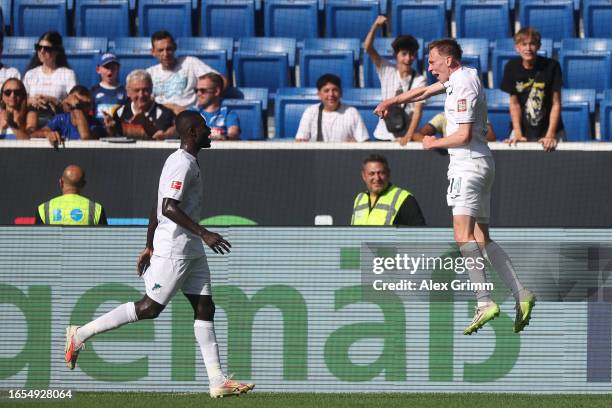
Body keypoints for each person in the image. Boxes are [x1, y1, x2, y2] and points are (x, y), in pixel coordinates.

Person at [64, 111, 254, 398]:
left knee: (205, 307)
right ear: (191, 133)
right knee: (150, 309)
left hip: (190, 250)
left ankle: (217, 380)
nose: (210, 131)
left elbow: (156, 207)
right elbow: (167, 207)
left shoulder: (187, 161)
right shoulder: (181, 164)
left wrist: (148, 243)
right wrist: (203, 233)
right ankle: (79, 335)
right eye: (204, 127)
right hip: (176, 249)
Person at [375, 39, 535, 335]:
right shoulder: (463, 76)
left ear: (449, 60)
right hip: (483, 164)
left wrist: (434, 141)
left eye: (433, 61)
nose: (430, 66)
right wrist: (391, 101)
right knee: (482, 238)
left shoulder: (461, 84)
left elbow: (461, 135)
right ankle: (521, 293)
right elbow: (423, 91)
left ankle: (484, 302)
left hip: (466, 166)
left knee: (461, 235)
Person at [365, 16, 426, 144]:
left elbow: (417, 112)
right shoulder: (386, 69)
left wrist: (408, 137)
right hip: (381, 135)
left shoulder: (420, 80)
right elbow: (368, 48)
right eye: (404, 54)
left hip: (403, 139)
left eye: (412, 54)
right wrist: (375, 26)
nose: (408, 58)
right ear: (395, 55)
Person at [501, 27, 563, 152]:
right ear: (517, 47)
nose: (528, 48)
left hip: (551, 131)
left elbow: (556, 104)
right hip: (522, 131)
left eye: (532, 44)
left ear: (539, 46)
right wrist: (518, 134)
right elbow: (514, 104)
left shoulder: (552, 66)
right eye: (524, 44)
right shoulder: (511, 67)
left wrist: (550, 135)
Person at [147, 31, 226, 114]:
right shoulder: (149, 74)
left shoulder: (190, 63)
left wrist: (204, 102)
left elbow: (222, 81)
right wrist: (173, 107)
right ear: (153, 52)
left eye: (169, 49)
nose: (165, 54)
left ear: (175, 47)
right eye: (160, 50)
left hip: (190, 115)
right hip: (161, 118)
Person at [351, 154, 426, 226]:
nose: (377, 178)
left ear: (388, 174)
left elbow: (420, 235)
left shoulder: (404, 198)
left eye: (381, 173)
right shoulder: (360, 198)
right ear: (364, 176)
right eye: (372, 173)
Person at [23, 31, 77, 129]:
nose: (41, 51)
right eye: (39, 47)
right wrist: (31, 100)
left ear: (57, 51)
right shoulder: (30, 74)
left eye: (47, 48)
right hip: (32, 122)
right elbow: (20, 101)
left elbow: (74, 102)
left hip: (58, 122)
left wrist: (54, 101)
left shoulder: (67, 74)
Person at [295, 74, 369, 142]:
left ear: (341, 92)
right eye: (326, 91)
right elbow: (300, 141)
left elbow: (364, 141)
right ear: (319, 94)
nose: (331, 94)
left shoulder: (352, 112)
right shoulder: (310, 112)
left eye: (335, 90)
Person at [104, 69, 175, 140]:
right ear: (128, 92)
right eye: (136, 90)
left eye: (145, 90)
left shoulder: (165, 114)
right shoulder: (120, 112)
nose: (141, 95)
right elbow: (116, 142)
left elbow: (161, 141)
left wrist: (145, 122)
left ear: (151, 89)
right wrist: (111, 130)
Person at [32, 85, 107, 145]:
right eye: (81, 104)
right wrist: (47, 134)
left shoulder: (96, 124)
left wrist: (76, 107)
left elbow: (85, 137)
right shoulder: (61, 119)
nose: (86, 108)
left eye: (88, 104)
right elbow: (33, 135)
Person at [35, 164, 107, 225]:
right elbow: (105, 239)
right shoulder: (96, 209)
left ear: (61, 183)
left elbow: (37, 240)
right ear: (83, 184)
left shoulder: (43, 209)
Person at [192, 73, 240, 140]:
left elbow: (233, 133)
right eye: (196, 90)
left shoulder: (228, 114)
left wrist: (224, 138)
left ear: (216, 91)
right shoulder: (191, 113)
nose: (198, 94)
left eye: (203, 90)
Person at [91, 52, 127, 121]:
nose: (110, 71)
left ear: (118, 69)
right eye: (106, 67)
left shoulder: (125, 92)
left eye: (113, 67)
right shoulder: (93, 91)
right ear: (98, 70)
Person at [414, 112, 497, 142]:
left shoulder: (479, 115)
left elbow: (491, 137)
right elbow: (417, 135)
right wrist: (435, 143)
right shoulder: (443, 116)